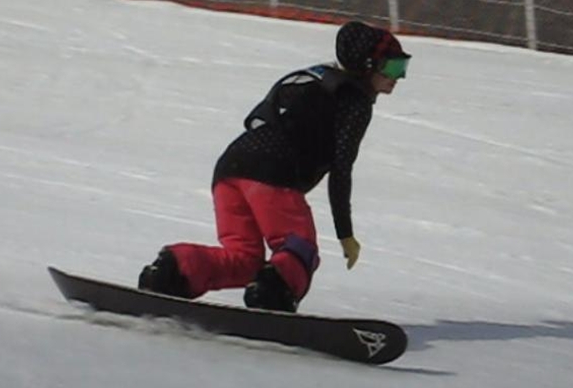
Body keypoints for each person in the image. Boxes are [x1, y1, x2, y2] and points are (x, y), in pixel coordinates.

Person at [138, 21, 411, 312]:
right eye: (393, 67)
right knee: (300, 248)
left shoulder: (309, 77)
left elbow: (258, 119)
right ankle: (273, 295)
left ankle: (173, 272)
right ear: (368, 65)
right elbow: (341, 170)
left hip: (230, 168)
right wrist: (345, 233)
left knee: (245, 259)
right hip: (273, 173)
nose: (399, 77)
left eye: (403, 67)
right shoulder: (355, 101)